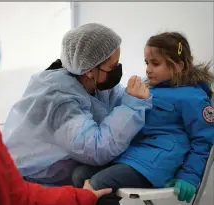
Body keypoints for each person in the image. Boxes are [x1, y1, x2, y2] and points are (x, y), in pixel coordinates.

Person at [0, 2, 113, 205]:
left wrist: (79, 198)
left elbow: (14, 194)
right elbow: (96, 148)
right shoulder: (58, 94)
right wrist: (133, 107)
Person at [2, 23, 153, 186]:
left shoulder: (95, 83)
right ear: (89, 69)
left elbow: (120, 98)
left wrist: (150, 86)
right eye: (113, 66)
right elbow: (96, 149)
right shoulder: (57, 98)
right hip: (36, 186)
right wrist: (132, 107)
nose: (118, 69)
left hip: (67, 179)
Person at [72, 32, 214, 204]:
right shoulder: (149, 88)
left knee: (99, 184)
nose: (148, 69)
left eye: (155, 63)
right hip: (132, 155)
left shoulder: (193, 97)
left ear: (177, 66)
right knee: (79, 174)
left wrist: (189, 176)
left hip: (157, 163)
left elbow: (204, 140)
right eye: (147, 63)